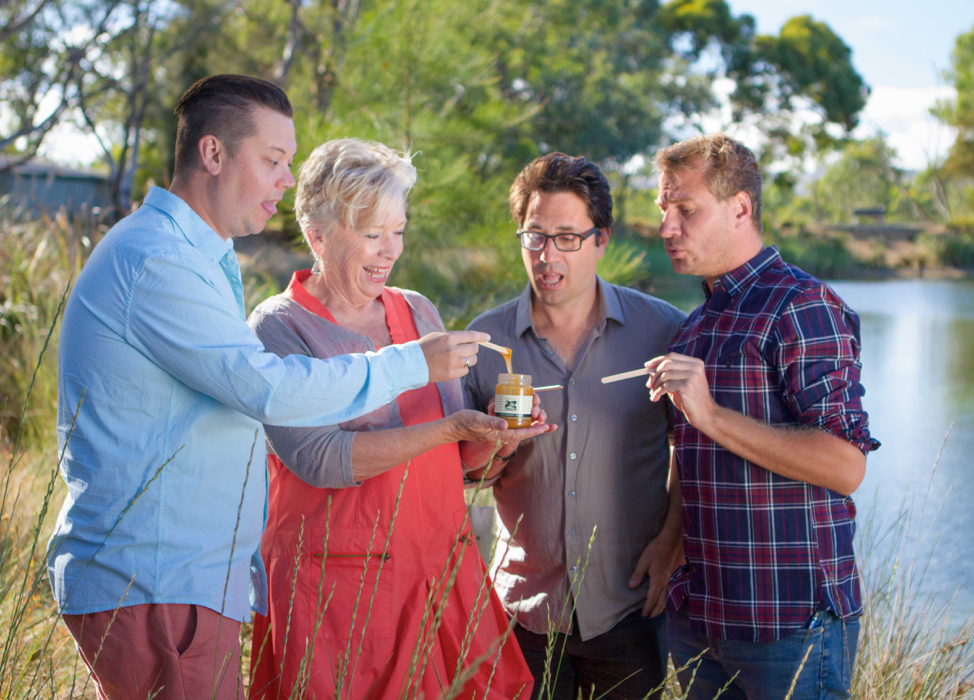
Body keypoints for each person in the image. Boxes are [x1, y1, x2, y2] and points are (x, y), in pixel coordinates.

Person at [47, 75, 489, 700]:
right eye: (274, 160)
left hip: (187, 582)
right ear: (213, 154)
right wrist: (411, 363)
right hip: (153, 582)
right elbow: (268, 392)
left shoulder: (201, 258)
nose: (286, 180)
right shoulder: (158, 261)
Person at [246, 138, 550, 700]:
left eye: (399, 232)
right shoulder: (279, 326)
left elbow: (457, 462)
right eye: (371, 234)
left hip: (436, 563)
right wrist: (452, 428)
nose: (389, 251)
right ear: (317, 235)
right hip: (340, 584)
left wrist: (494, 438)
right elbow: (318, 459)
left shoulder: (416, 310)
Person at [645, 134, 880, 700]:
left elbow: (845, 466)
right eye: (663, 210)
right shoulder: (696, 324)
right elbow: (690, 449)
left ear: (741, 208)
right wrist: (668, 538)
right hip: (701, 619)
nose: (667, 228)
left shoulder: (802, 305)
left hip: (789, 626)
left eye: (686, 210)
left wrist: (711, 414)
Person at [463, 153, 686, 699]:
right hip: (523, 612)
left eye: (567, 237)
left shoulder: (665, 329)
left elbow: (691, 445)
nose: (547, 256)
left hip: (632, 609)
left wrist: (672, 537)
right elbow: (465, 475)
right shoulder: (484, 344)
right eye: (534, 236)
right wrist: (493, 446)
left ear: (601, 240)